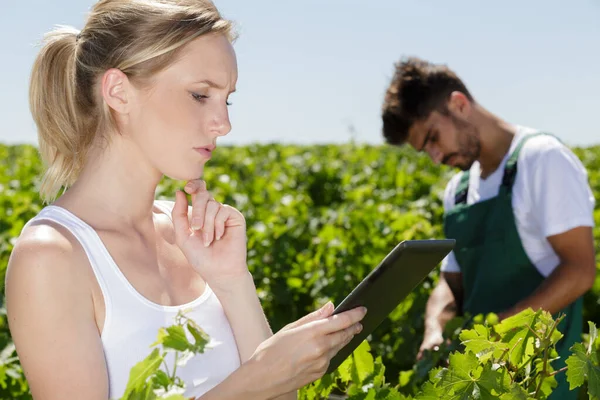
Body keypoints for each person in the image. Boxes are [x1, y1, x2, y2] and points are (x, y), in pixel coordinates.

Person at [4, 1, 367, 399]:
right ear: (118, 93)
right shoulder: (52, 256)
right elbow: (260, 384)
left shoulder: (188, 235)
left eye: (226, 100)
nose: (224, 124)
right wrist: (257, 378)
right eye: (199, 95)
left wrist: (233, 282)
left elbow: (279, 396)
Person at [380, 56, 596, 399]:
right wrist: (434, 326)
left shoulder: (542, 160)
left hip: (539, 382)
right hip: (482, 385)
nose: (435, 157)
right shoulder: (459, 190)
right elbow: (451, 282)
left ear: (459, 104)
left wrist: (496, 337)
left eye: (434, 139)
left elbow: (580, 270)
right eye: (426, 151)